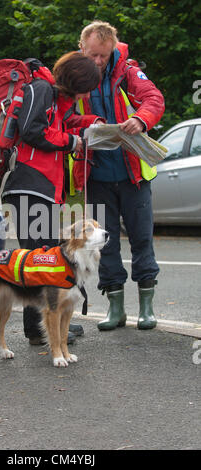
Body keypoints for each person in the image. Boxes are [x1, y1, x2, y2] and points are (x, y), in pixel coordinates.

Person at [2, 51, 102, 345]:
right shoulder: (42, 89)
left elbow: (63, 122)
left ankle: (46, 326)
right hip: (29, 185)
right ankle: (38, 331)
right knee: (39, 262)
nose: (88, 93)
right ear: (76, 80)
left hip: (41, 187)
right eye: (87, 86)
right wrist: (72, 141)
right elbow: (33, 131)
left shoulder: (54, 97)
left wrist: (93, 122)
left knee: (42, 256)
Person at [75, 21, 165, 330]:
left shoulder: (128, 71)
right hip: (97, 176)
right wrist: (86, 122)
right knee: (105, 244)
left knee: (141, 239)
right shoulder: (74, 74)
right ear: (81, 48)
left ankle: (146, 308)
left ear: (113, 48)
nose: (97, 62)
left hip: (133, 176)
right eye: (92, 55)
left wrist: (141, 119)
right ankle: (116, 309)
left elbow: (154, 99)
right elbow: (63, 115)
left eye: (102, 55)